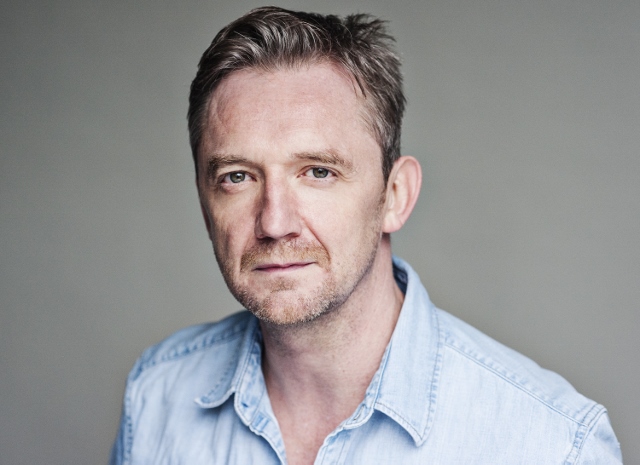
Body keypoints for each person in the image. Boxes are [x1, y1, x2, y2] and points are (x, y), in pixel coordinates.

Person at [110, 7, 622, 464]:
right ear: (206, 207)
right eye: (237, 177)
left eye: (318, 172)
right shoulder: (157, 396)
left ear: (395, 195)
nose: (274, 222)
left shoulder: (553, 446)